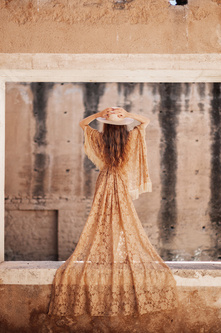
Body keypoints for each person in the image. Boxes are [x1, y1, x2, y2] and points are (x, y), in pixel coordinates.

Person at [48, 107, 177, 317]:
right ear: (123, 125)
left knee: (101, 217)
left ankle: (108, 255)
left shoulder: (100, 138)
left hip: (105, 179)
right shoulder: (130, 137)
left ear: (106, 125)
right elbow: (145, 122)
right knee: (123, 218)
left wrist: (99, 114)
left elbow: (83, 124)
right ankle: (118, 255)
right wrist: (128, 114)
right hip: (121, 181)